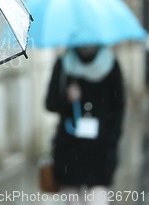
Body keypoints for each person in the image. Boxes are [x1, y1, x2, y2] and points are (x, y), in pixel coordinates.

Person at [45, 45, 125, 205]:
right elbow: (50, 103)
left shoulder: (111, 64)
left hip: (100, 152)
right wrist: (67, 98)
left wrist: (111, 141)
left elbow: (118, 108)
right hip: (69, 151)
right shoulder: (64, 64)